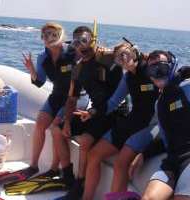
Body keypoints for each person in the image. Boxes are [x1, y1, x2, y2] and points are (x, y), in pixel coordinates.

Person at [77, 41, 159, 200]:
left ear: (134, 52)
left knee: (120, 163)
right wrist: (92, 112)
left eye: (125, 54)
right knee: (94, 155)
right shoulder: (128, 77)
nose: (123, 59)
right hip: (132, 121)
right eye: (118, 58)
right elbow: (113, 103)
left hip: (151, 125)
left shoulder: (152, 70)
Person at [55, 26, 123, 199]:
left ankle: (79, 185)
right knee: (56, 130)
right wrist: (68, 122)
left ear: (93, 39)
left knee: (85, 141)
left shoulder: (109, 59)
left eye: (84, 40)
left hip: (114, 112)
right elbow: (72, 99)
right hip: (94, 111)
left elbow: (130, 55)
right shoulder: (78, 68)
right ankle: (68, 178)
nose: (80, 46)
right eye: (76, 42)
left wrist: (115, 51)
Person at [20, 22, 75, 178]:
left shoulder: (72, 52)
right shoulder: (43, 57)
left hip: (73, 97)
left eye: (53, 34)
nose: (48, 38)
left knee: (55, 128)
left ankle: (53, 169)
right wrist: (31, 70)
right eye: (45, 35)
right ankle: (34, 166)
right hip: (57, 95)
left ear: (60, 35)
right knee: (40, 123)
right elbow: (39, 82)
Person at [142, 50, 190, 200]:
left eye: (161, 68)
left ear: (172, 66)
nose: (157, 73)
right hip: (173, 160)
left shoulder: (187, 88)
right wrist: (144, 154)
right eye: (151, 69)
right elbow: (166, 139)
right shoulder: (160, 103)